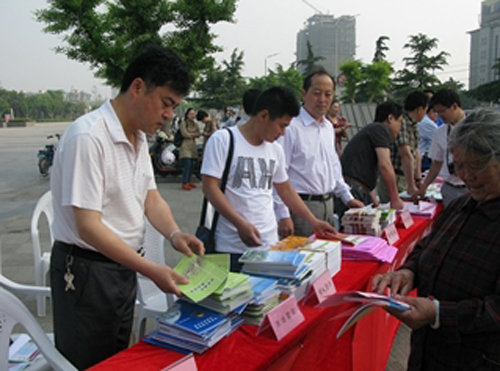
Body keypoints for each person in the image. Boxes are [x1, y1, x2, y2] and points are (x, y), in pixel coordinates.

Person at [49, 45, 204, 370]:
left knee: (117, 357)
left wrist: (174, 234)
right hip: (86, 272)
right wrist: (150, 269)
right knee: (88, 361)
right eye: (166, 103)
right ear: (137, 87)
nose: (169, 115)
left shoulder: (137, 138)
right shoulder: (89, 137)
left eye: (174, 107)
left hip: (123, 266)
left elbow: (151, 198)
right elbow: (88, 226)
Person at [372, 108, 500, 371]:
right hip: (429, 353)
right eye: (457, 165)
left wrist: (439, 313)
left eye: (475, 167)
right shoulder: (461, 206)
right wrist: (409, 271)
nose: (464, 176)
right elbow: (427, 247)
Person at [202, 87, 336, 271]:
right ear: (263, 116)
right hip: (231, 246)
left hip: (268, 244)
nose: (283, 133)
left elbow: (285, 190)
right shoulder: (224, 140)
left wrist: (313, 221)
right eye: (282, 125)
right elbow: (210, 188)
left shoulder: (275, 150)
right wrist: (239, 223)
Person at [274, 68, 364, 238]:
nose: (322, 99)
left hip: (328, 205)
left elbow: (334, 167)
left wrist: (347, 197)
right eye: (316, 93)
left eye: (328, 94)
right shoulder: (291, 127)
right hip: (300, 208)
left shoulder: (328, 127)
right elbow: (278, 175)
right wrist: (283, 214)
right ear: (303, 93)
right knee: (301, 260)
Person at [338, 101, 405, 221]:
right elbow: (385, 165)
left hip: (358, 188)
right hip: (353, 190)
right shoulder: (380, 129)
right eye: (399, 122)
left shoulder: (373, 130)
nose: (400, 128)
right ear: (390, 118)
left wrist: (374, 200)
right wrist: (394, 198)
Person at [415, 89, 468, 207]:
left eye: (442, 111)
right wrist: (424, 187)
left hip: (472, 188)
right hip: (449, 189)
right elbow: (436, 163)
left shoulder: (475, 128)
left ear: (455, 106)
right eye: (436, 112)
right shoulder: (440, 132)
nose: (439, 116)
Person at [377, 91, 428, 202]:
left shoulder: (414, 125)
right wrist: (411, 186)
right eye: (425, 110)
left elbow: (416, 152)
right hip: (396, 177)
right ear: (419, 109)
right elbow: (406, 155)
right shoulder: (402, 122)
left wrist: (418, 178)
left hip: (406, 177)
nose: (425, 114)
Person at [179, 107, 201, 191]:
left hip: (193, 146)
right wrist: (193, 134)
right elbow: (185, 134)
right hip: (185, 146)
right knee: (187, 164)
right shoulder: (183, 123)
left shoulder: (195, 124)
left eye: (193, 114)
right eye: (191, 114)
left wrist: (192, 134)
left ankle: (189, 181)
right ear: (187, 115)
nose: (192, 116)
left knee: (192, 164)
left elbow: (199, 133)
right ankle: (184, 182)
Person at [418, 107, 439, 171]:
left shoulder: (421, 121)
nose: (438, 116)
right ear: (431, 112)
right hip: (423, 160)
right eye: (436, 112)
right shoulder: (429, 124)